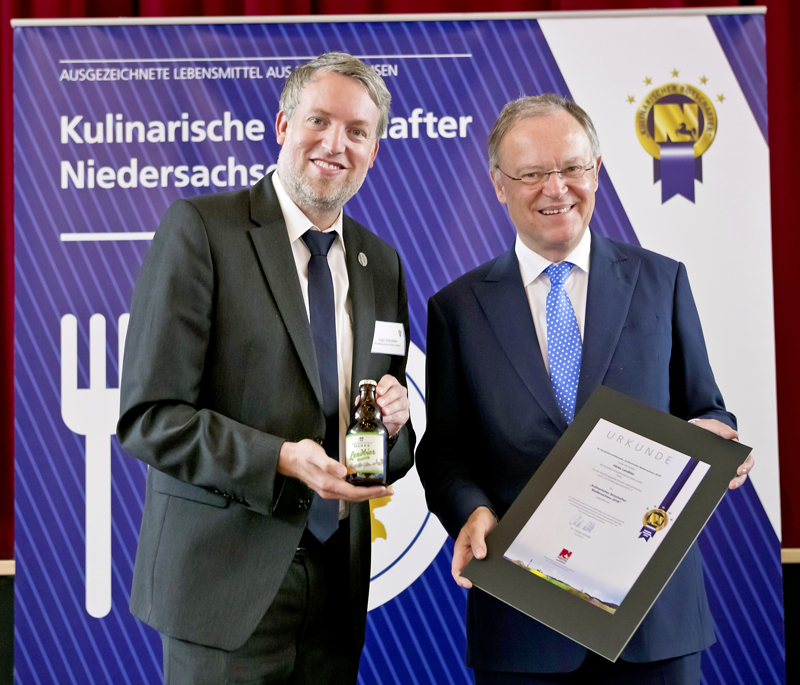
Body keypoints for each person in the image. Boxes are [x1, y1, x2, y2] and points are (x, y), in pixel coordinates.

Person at [416, 94, 754, 685]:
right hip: (522, 622)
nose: (557, 188)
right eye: (532, 174)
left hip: (655, 619)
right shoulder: (457, 309)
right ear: (499, 185)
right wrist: (471, 510)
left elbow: (707, 408)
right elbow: (444, 453)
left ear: (596, 171)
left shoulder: (662, 280)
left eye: (572, 167)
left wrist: (716, 439)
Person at [117, 52, 414, 685]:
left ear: (374, 151)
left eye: (357, 131)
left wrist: (393, 428)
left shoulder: (381, 264)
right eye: (319, 121)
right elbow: (149, 418)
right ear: (283, 125)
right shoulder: (203, 230)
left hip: (337, 589)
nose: (335, 144)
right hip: (223, 585)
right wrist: (280, 458)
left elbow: (392, 441)